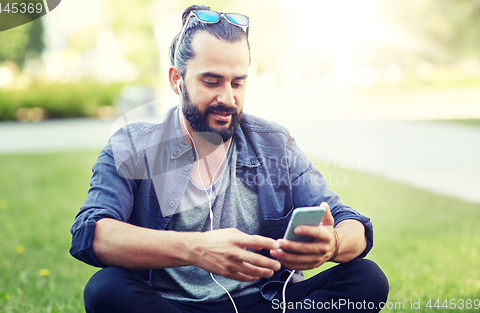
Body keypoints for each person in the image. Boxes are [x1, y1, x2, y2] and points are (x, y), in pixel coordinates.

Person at [70, 4, 389, 313]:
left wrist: (332, 243)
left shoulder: (274, 143)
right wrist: (195, 249)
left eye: (238, 82)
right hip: (172, 305)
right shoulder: (132, 145)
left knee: (366, 278)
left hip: (266, 301)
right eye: (212, 81)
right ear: (176, 80)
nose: (228, 98)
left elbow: (352, 224)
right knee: (105, 288)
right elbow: (91, 233)